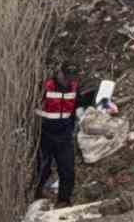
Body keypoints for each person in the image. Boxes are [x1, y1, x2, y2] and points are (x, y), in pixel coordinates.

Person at [34, 62, 113, 207]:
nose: (69, 81)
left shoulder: (74, 87)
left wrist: (100, 101)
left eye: (72, 78)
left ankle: (63, 201)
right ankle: (36, 196)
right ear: (60, 73)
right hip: (44, 134)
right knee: (42, 169)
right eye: (67, 77)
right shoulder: (45, 87)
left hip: (64, 135)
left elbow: (79, 102)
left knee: (67, 169)